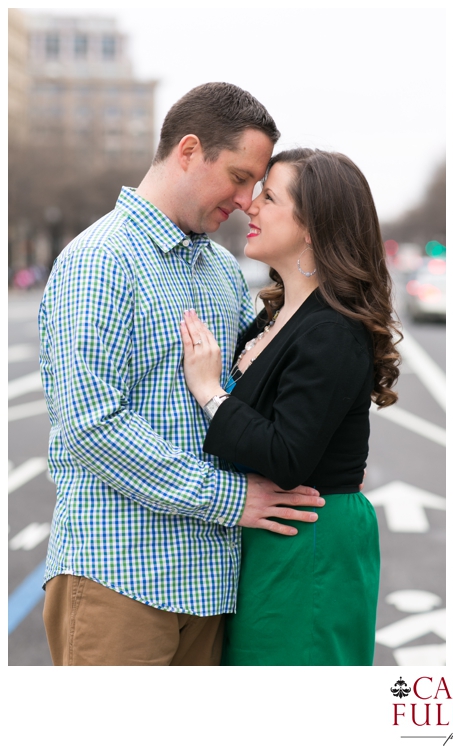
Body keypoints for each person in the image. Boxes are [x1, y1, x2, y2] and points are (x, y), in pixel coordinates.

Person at [39, 83, 325, 666]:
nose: (249, 200)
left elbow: (269, 384)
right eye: (241, 177)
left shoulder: (221, 269)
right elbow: (91, 426)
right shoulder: (100, 260)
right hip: (119, 578)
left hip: (213, 585)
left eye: (259, 186)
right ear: (189, 151)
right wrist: (229, 498)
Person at [178, 148, 400, 665]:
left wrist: (211, 392)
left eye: (270, 196)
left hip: (309, 540)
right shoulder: (278, 313)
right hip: (281, 535)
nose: (250, 206)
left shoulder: (329, 329)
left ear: (313, 227)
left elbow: (287, 454)